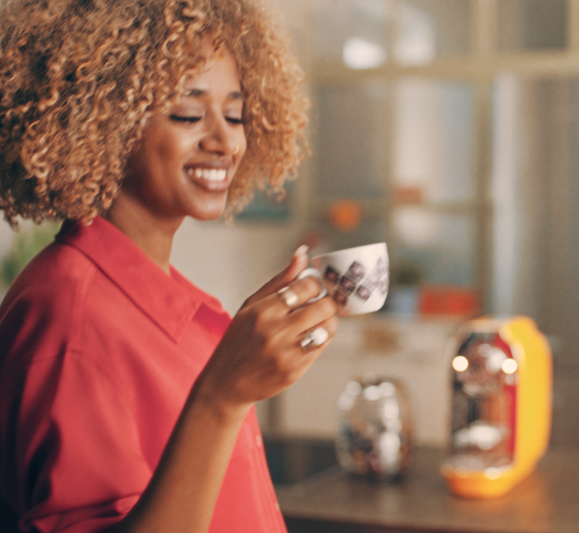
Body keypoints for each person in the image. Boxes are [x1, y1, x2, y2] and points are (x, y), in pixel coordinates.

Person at [0, 0, 337, 531]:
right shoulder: (69, 319)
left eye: (235, 114)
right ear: (104, 121)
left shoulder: (166, 298)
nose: (226, 142)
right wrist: (222, 398)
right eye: (186, 114)